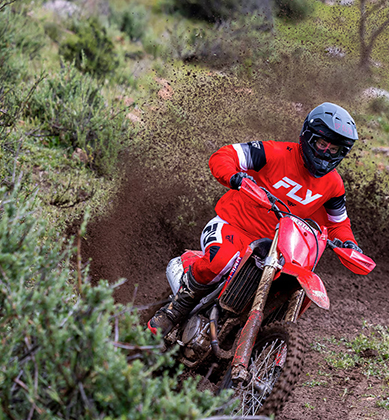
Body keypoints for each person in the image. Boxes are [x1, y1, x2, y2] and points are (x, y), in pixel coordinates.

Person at [148, 102, 363, 338]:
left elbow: (338, 223)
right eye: (322, 144)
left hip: (275, 249)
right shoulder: (274, 152)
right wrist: (236, 177)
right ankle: (172, 312)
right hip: (232, 226)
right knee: (220, 260)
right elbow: (226, 155)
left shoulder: (333, 185)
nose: (326, 153)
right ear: (308, 138)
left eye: (334, 150)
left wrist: (348, 244)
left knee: (287, 285)